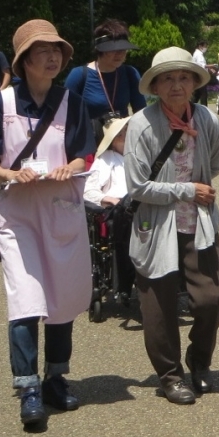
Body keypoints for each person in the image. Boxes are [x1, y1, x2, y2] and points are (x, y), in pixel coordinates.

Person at [0, 19, 95, 428]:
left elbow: (84, 155)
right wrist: (10, 174)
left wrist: (69, 168)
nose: (52, 57)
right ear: (24, 60)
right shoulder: (2, 103)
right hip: (19, 214)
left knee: (61, 299)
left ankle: (55, 379)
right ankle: (28, 387)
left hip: (61, 209)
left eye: (57, 50)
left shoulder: (71, 101)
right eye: (43, 51)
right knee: (25, 299)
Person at [125, 46, 219, 405]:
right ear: (155, 86)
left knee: (213, 297)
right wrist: (186, 190)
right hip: (155, 227)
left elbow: (216, 163)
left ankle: (199, 361)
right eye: (167, 79)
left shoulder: (206, 119)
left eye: (184, 77)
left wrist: (195, 190)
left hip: (199, 222)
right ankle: (170, 376)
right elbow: (137, 186)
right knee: (159, 307)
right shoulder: (141, 125)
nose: (176, 85)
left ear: (194, 83)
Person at [64, 19, 146, 141]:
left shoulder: (130, 73)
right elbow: (66, 116)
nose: (120, 54)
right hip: (91, 142)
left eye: (123, 49)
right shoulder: (79, 75)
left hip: (122, 142)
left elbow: (141, 112)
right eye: (113, 50)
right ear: (100, 49)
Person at [84, 117, 136, 303]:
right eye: (122, 133)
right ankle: (125, 280)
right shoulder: (105, 160)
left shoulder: (140, 156)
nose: (127, 136)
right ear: (113, 140)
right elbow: (88, 191)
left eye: (129, 132)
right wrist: (110, 200)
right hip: (117, 210)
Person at [191, 40, 213, 106]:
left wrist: (210, 69)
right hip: (200, 75)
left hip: (199, 75)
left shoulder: (198, 54)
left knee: (197, 94)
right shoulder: (198, 54)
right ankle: (204, 107)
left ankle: (191, 106)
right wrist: (212, 66)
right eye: (205, 46)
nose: (206, 48)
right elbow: (201, 65)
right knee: (203, 94)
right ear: (200, 46)